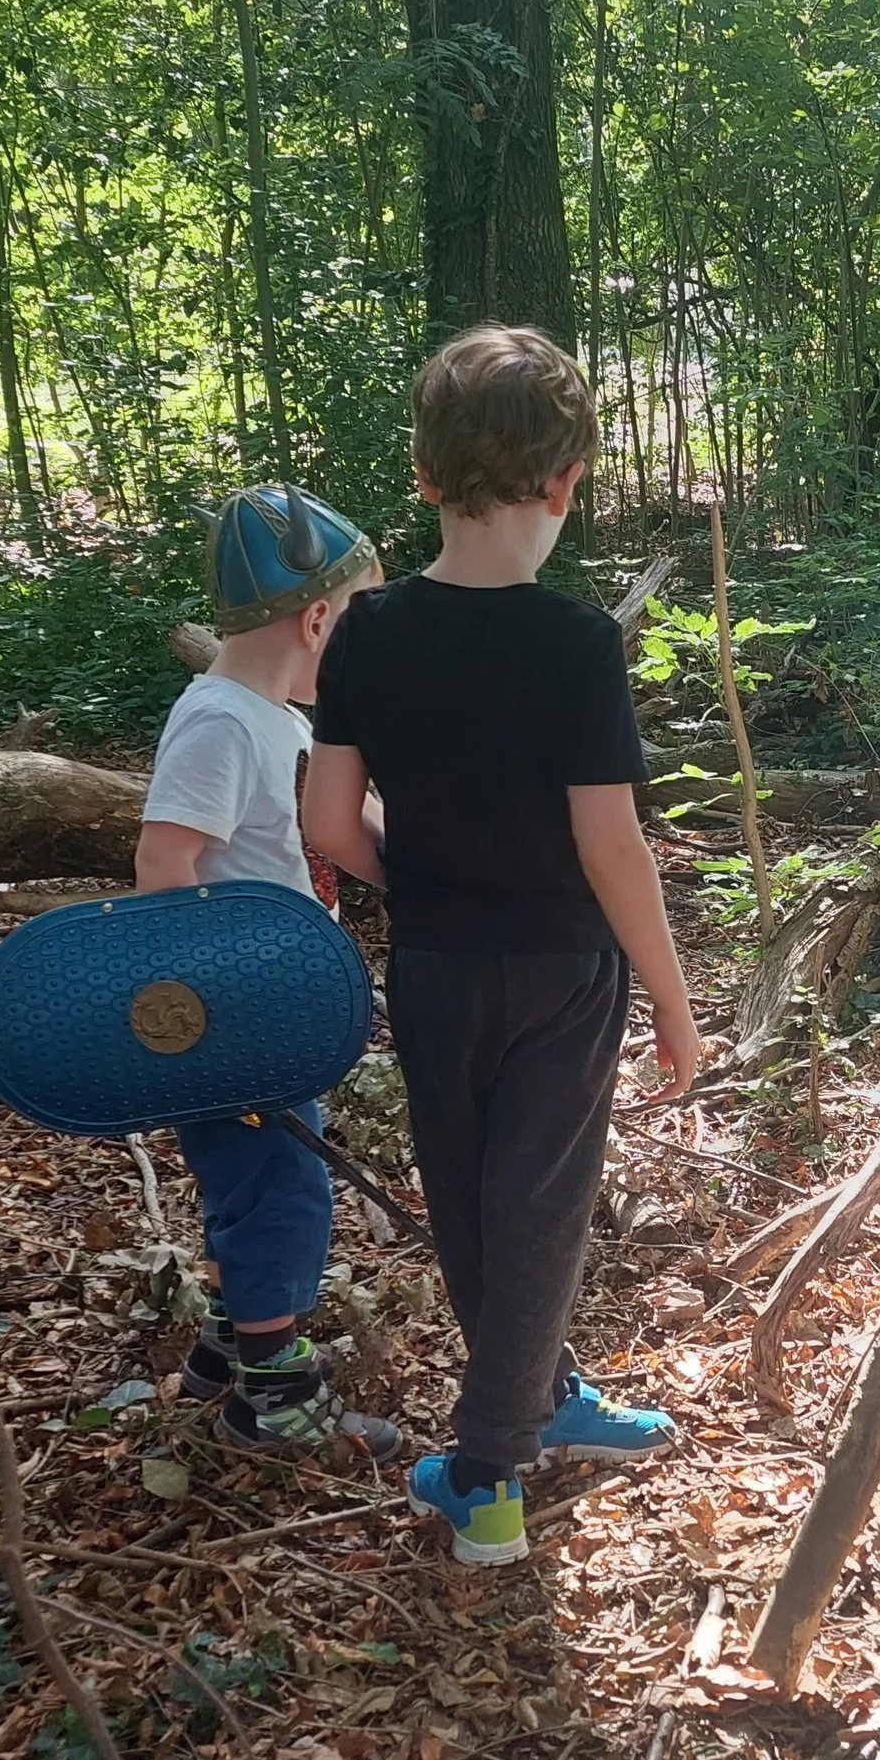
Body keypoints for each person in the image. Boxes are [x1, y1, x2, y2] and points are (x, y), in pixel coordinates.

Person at [303, 326, 703, 1568]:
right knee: (539, 1210)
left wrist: (417, 880)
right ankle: (487, 1472)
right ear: (567, 482)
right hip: (561, 975)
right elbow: (612, 847)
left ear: (424, 479)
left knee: (478, 1205)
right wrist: (676, 1002)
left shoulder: (364, 631)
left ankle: (543, 1396)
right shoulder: (575, 641)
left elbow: (325, 820)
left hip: (432, 968)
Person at [135, 482, 404, 1468]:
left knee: (255, 1187)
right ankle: (274, 1398)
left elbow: (338, 838)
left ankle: (227, 1347)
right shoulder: (219, 721)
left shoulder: (278, 720)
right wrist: (208, 1004)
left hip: (285, 1012)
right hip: (238, 1022)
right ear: (320, 617)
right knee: (286, 1191)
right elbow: (164, 862)